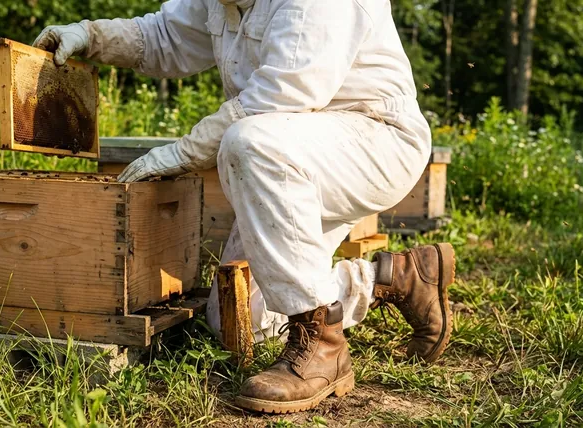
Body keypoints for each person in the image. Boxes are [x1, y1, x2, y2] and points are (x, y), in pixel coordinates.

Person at [34, 0, 455, 414]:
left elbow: (274, 99)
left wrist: (180, 153)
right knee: (241, 316)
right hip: (298, 148)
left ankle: (323, 346)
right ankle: (397, 276)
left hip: (373, 140)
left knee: (249, 141)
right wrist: (90, 35)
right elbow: (165, 36)